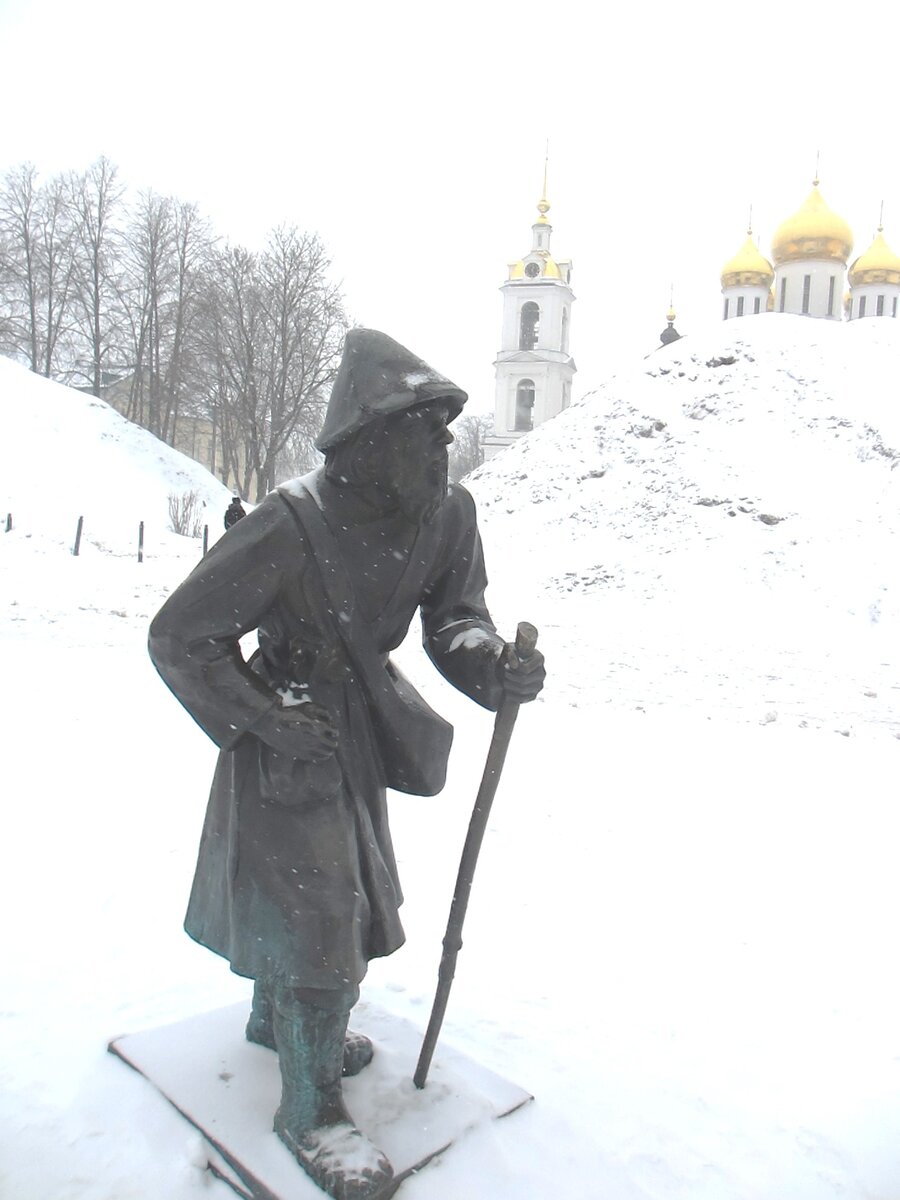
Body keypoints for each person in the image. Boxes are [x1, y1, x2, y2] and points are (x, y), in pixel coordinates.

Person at [148, 329, 545, 1200]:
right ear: (370, 440)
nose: (444, 450)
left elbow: (455, 617)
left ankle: (277, 1017)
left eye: (446, 434)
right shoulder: (286, 525)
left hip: (359, 731)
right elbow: (181, 636)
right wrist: (264, 718)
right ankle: (311, 1108)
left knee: (328, 894)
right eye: (426, 432)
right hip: (289, 739)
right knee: (321, 908)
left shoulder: (449, 514)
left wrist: (489, 662)